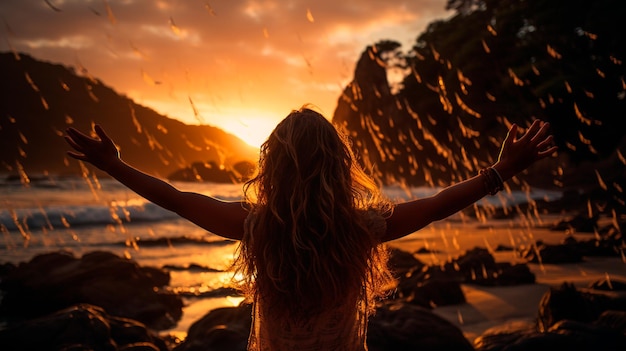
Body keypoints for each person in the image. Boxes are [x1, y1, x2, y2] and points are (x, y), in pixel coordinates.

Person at [65, 106, 557, 351]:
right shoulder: (361, 227)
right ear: (339, 166)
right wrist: (500, 172)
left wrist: (115, 167)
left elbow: (176, 200)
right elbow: (436, 205)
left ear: (272, 167)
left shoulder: (256, 226)